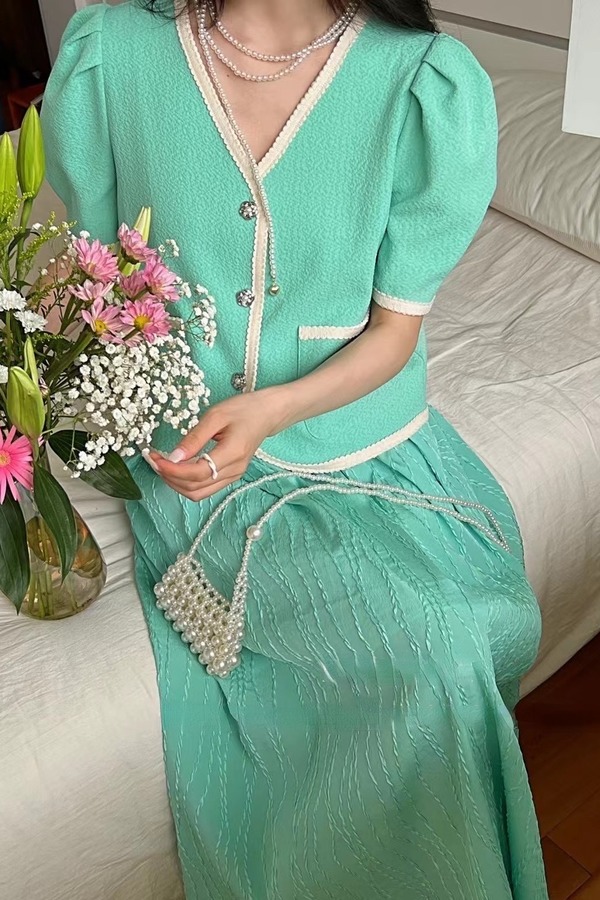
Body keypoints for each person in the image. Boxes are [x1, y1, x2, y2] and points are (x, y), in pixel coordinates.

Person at [41, 0, 550, 897]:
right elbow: (106, 277)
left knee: (469, 635)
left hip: (360, 433)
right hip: (193, 449)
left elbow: (394, 333)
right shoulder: (112, 53)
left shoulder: (420, 81)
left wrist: (272, 412)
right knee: (423, 659)